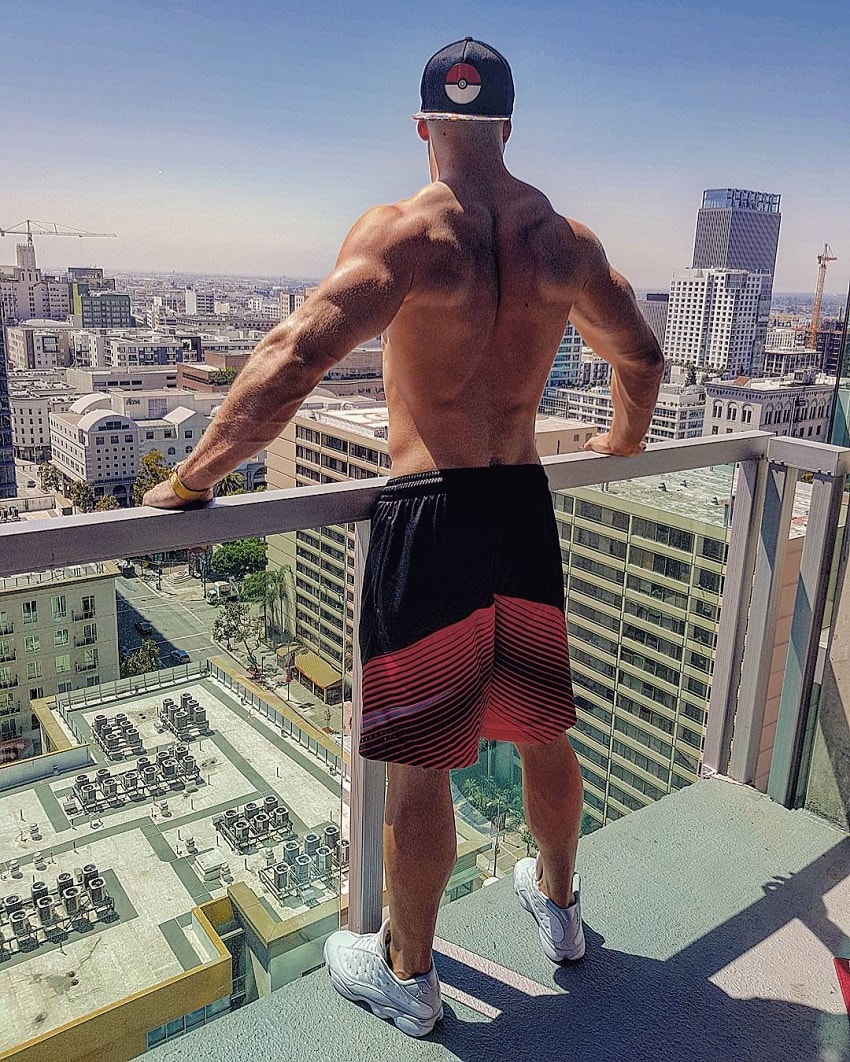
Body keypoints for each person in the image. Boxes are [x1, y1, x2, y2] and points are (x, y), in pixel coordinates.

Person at [144, 37, 664, 1039]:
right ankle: (560, 917)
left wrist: (192, 479)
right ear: (507, 126)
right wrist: (619, 442)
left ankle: (410, 977)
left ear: (423, 126)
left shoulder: (406, 234)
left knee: (424, 764)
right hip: (521, 505)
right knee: (544, 728)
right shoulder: (566, 242)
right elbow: (638, 354)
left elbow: (293, 356)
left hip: (431, 517)